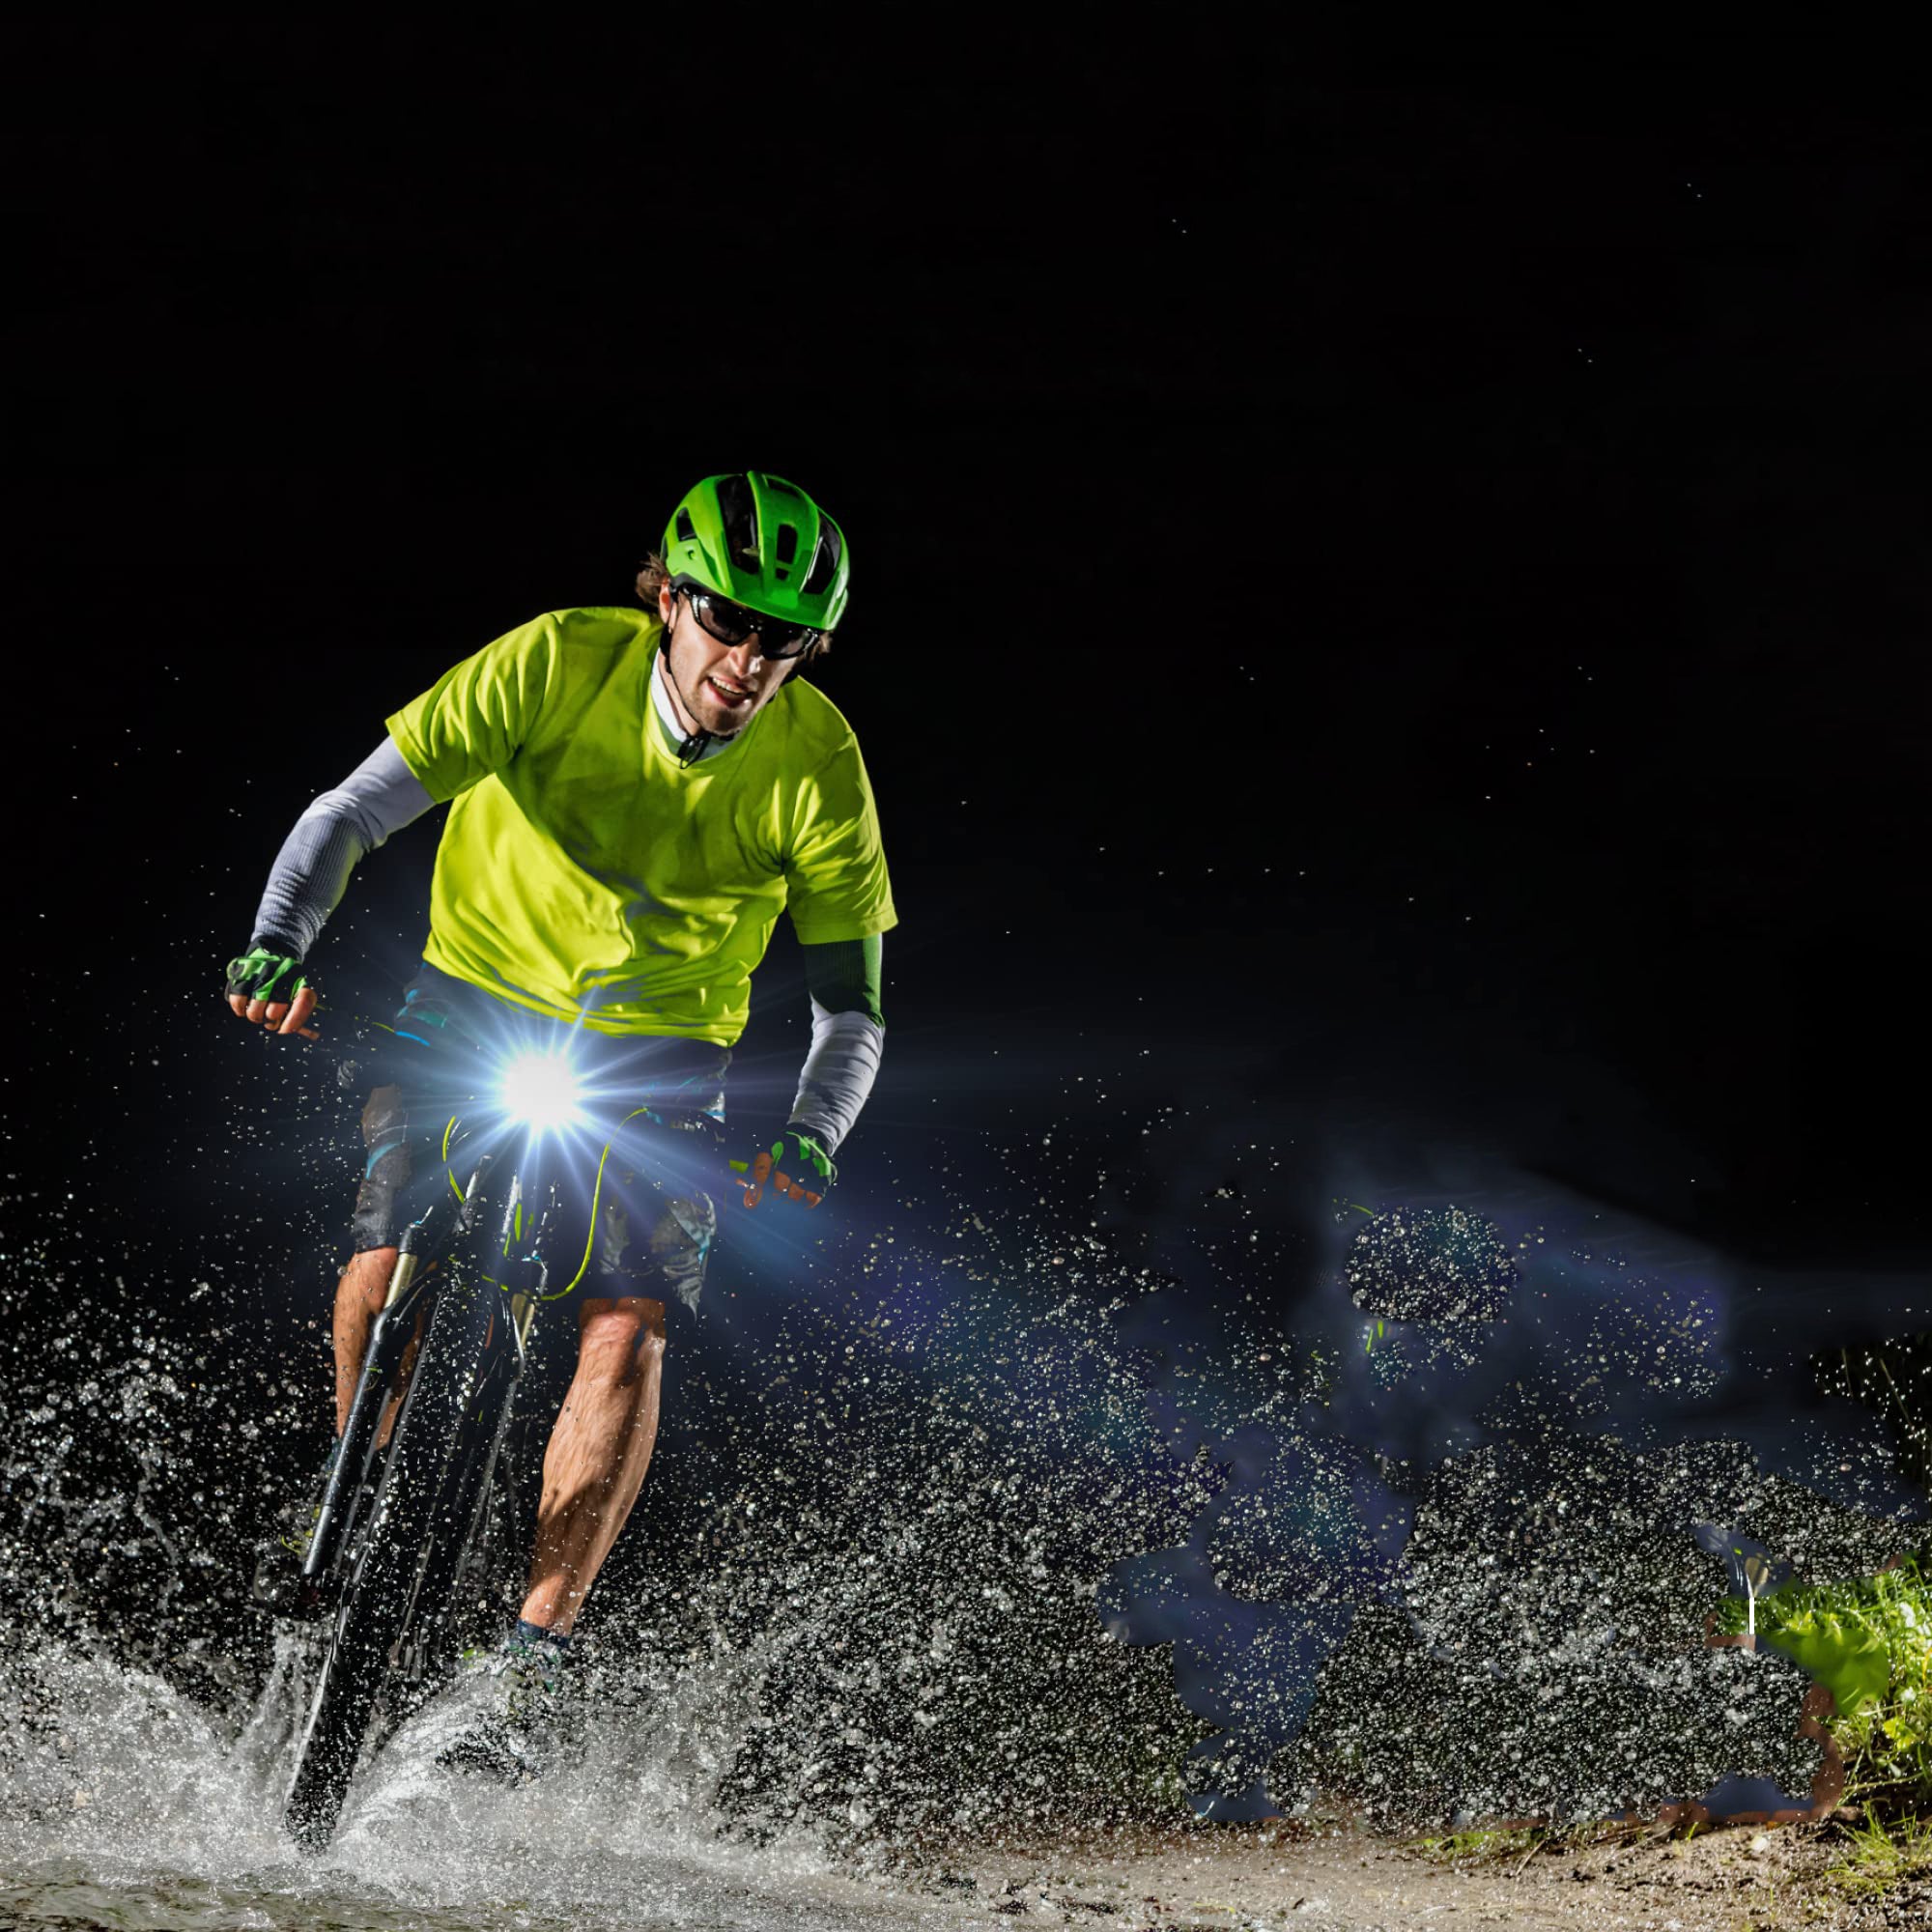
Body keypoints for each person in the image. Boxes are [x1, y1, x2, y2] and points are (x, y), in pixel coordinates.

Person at [224, 472, 894, 1772]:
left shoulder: (821, 763)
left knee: (627, 1327)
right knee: (382, 1250)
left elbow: (851, 1008)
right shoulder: (553, 661)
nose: (748, 662)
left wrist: (813, 1135)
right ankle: (355, 1487)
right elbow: (349, 813)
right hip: (473, 1002)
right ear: (667, 597)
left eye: (784, 640)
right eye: (725, 619)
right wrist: (274, 945)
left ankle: (534, 1653)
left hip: (662, 1057)